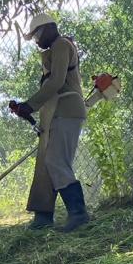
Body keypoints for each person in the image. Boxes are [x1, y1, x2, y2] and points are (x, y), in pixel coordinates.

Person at [9, 12, 90, 232]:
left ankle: (79, 214)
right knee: (46, 163)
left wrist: (29, 105)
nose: (36, 42)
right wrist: (27, 107)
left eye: (36, 36)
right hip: (54, 112)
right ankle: (43, 217)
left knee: (56, 161)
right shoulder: (52, 50)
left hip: (67, 110)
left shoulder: (61, 45)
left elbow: (56, 81)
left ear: (47, 29)